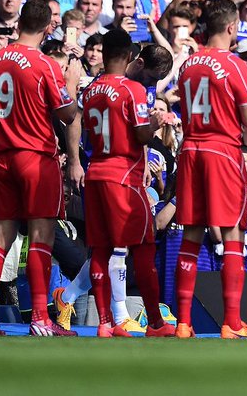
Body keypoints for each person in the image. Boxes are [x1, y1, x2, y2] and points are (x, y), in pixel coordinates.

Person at [0, 0, 81, 336]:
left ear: (20, 19)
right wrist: (72, 82)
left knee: (0, 237)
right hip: (36, 157)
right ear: (49, 26)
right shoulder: (45, 64)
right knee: (41, 238)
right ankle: (39, 318)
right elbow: (66, 113)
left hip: (2, 156)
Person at [173, 0, 247, 339]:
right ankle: (233, 323)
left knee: (192, 234)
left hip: (191, 149)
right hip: (222, 151)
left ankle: (183, 323)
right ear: (231, 28)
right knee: (231, 235)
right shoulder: (234, 64)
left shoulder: (188, 64)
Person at [79, 28, 175, 338]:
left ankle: (106, 323)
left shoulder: (91, 89)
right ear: (131, 56)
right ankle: (156, 325)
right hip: (124, 177)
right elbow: (140, 135)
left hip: (95, 174)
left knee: (100, 250)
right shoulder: (131, 90)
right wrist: (156, 125)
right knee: (144, 250)